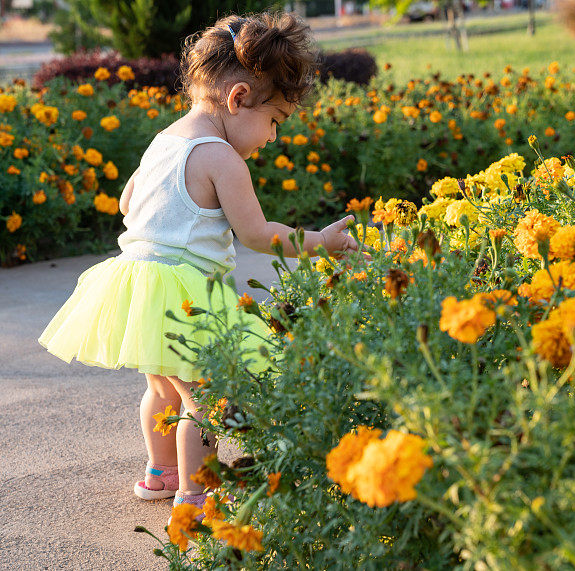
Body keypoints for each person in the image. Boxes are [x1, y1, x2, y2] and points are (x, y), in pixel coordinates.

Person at [38, 12, 358, 514]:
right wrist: (319, 241)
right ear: (237, 99)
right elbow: (257, 233)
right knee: (210, 399)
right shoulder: (220, 157)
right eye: (273, 121)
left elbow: (127, 203)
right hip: (184, 295)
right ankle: (196, 494)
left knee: (162, 390)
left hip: (137, 284)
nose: (272, 137)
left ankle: (160, 473)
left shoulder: (163, 141)